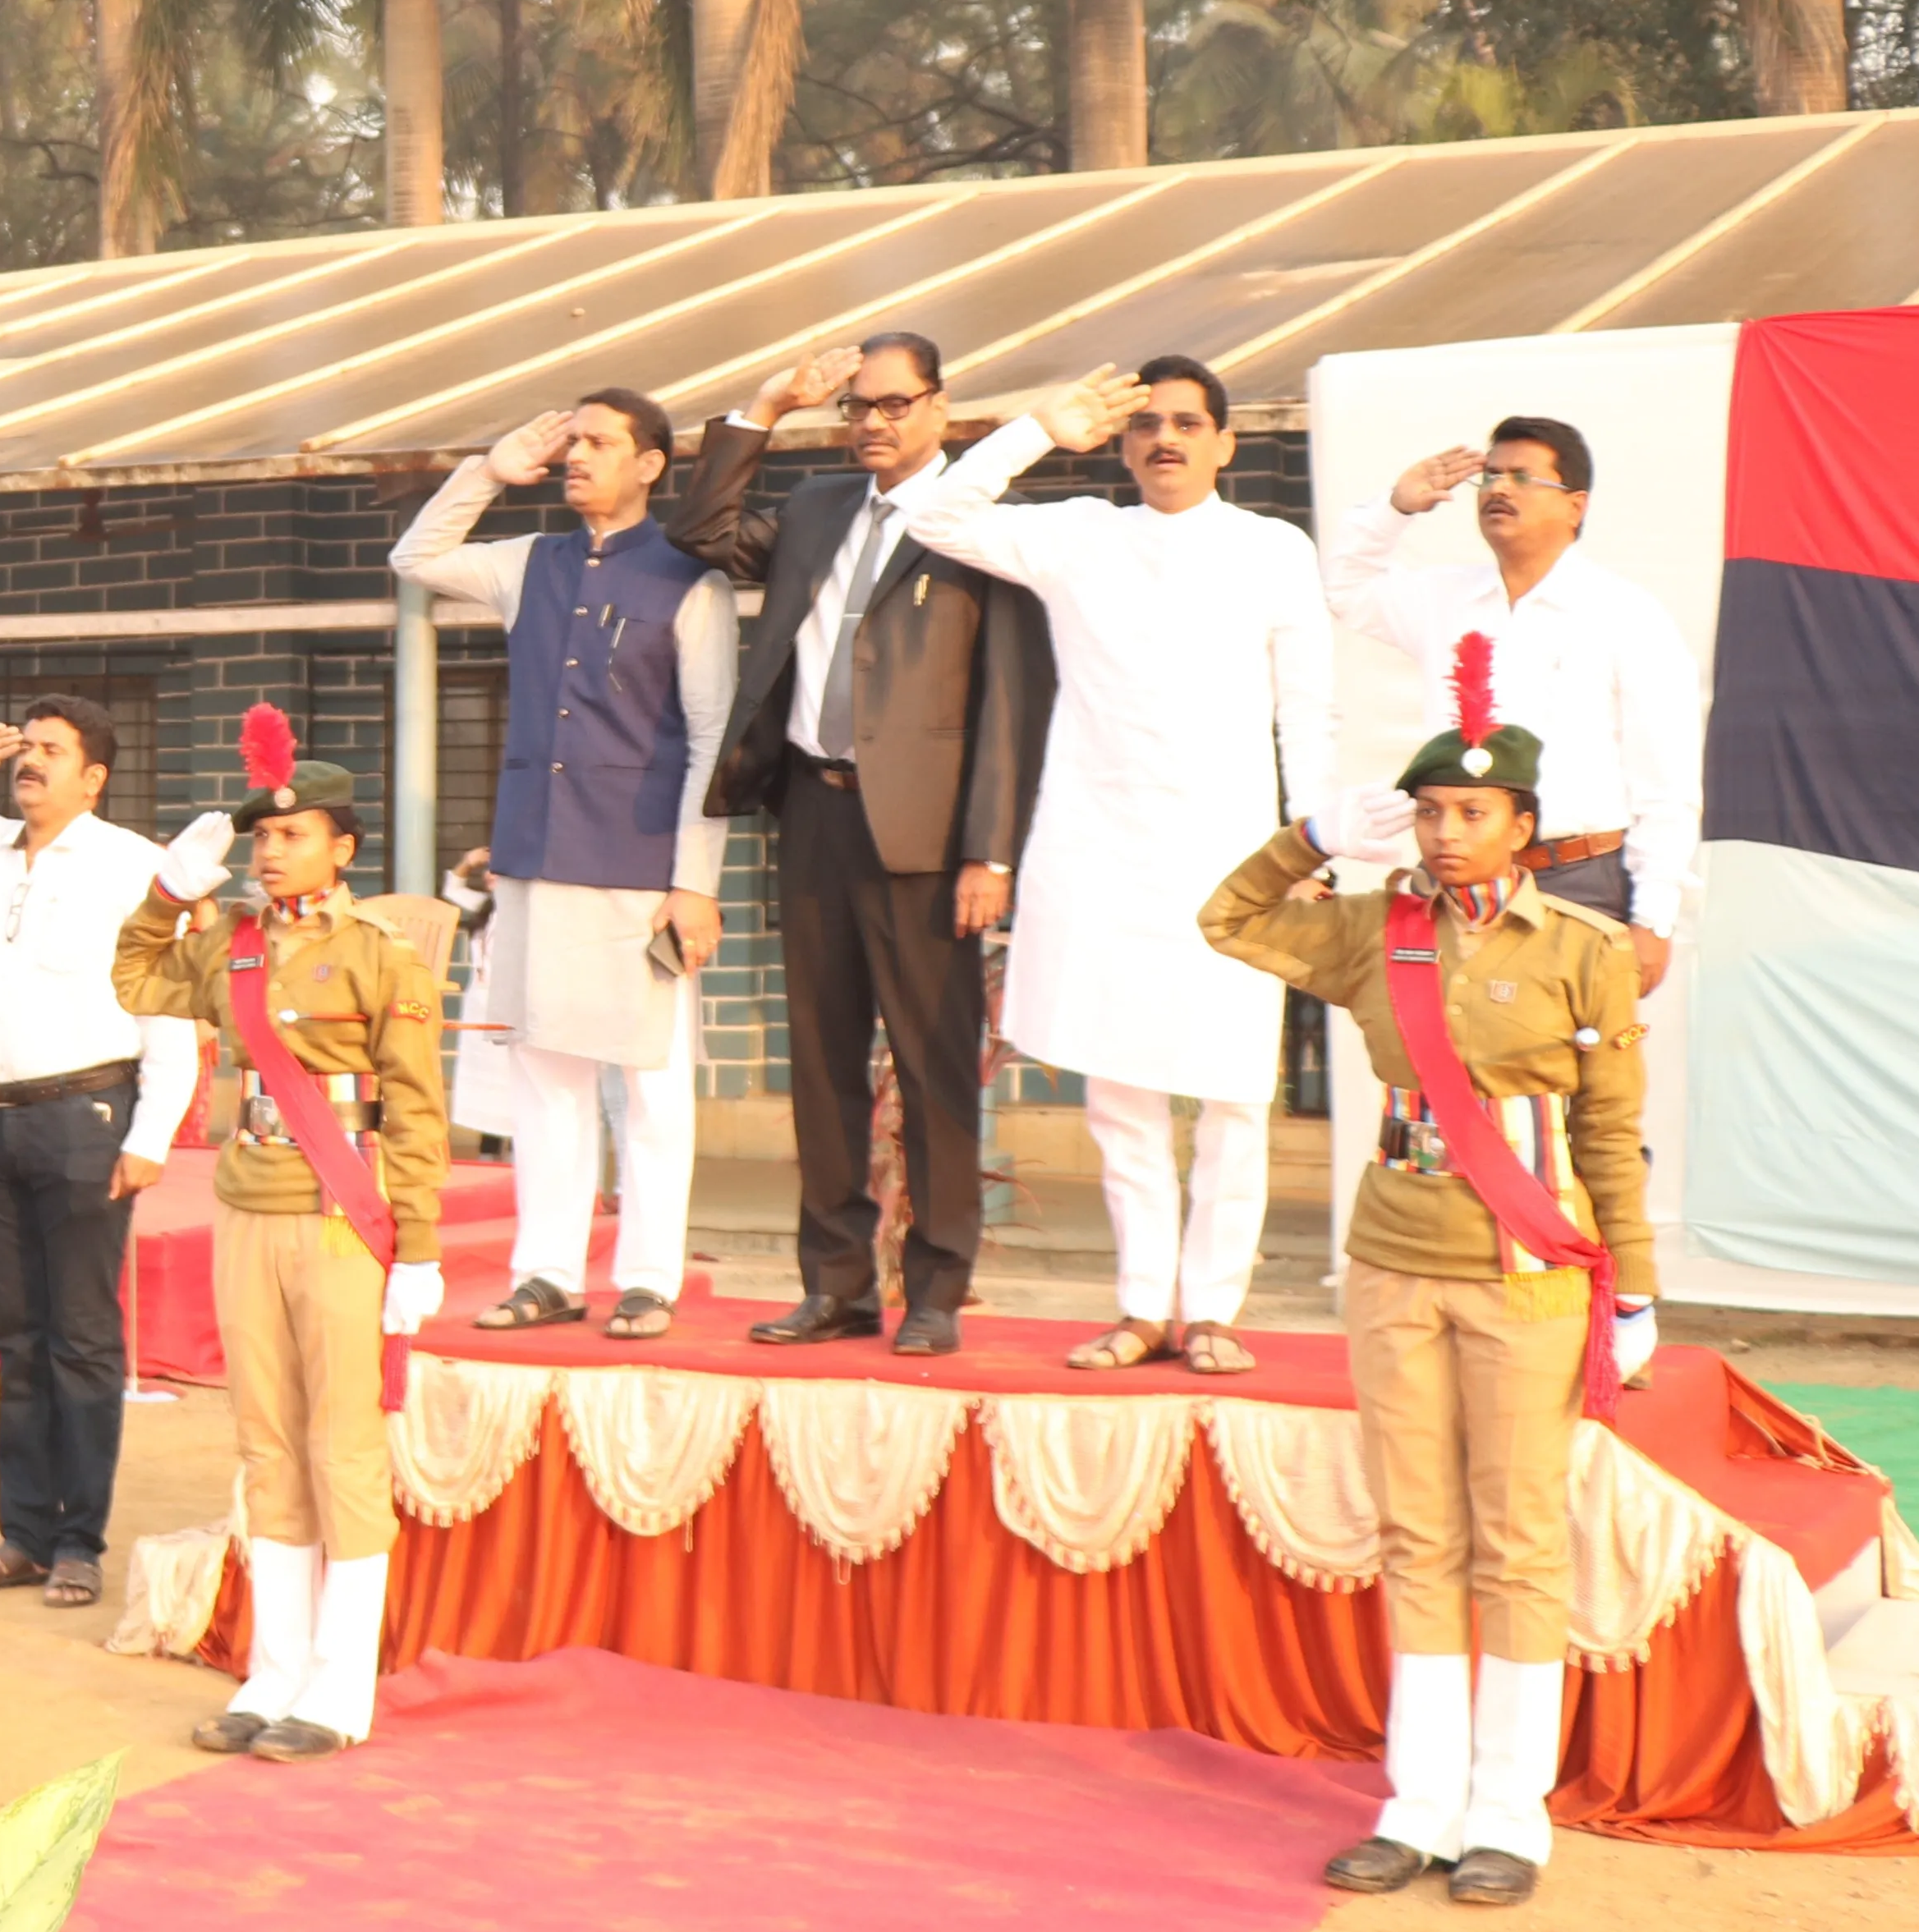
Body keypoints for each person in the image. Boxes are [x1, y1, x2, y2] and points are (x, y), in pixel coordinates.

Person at [1201, 654, 1650, 1910]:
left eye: (1473, 813)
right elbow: (1226, 920)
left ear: (1523, 824)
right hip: (1395, 1263)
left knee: (1514, 1539)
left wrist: (1637, 1284)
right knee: (1414, 1531)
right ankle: (1418, 1802)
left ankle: (1508, 1812)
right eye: (1431, 812)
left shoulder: (1583, 949)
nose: (1450, 833)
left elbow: (1611, 1128)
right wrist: (1307, 837)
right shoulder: (1369, 929)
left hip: (1528, 1274)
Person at [902, 356, 1332, 1374]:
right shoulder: (1080, 532)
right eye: (1144, 425)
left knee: (1231, 1094)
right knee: (1120, 1096)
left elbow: (1306, 707)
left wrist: (1307, 842)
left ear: (1225, 443)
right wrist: (1041, 427)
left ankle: (1214, 1308)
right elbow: (937, 515)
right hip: (1096, 849)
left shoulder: (1272, 547)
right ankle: (1142, 1306)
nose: (1164, 439)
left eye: (1187, 422)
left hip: (1230, 858)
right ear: (1123, 442)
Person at [674, 334, 1056, 1356]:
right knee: (821, 1064)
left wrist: (991, 852)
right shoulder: (814, 509)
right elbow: (703, 526)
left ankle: (934, 1288)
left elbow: (1010, 701)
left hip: (928, 835)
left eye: (892, 404)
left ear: (940, 407)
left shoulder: (977, 526)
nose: (870, 423)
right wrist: (763, 403)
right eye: (855, 407)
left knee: (931, 1070)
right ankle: (835, 1286)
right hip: (812, 811)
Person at [112, 723, 448, 1762]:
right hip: (245, 1211)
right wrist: (170, 889)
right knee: (264, 1444)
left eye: (290, 835)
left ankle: (340, 1692)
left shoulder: (375, 956)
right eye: (259, 837)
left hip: (341, 1219)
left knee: (341, 1446)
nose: (267, 852)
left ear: (342, 847)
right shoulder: (231, 945)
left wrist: (421, 1245)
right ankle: (273, 1674)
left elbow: (416, 1107)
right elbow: (133, 978)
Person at [390, 387, 738, 1340]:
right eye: (570, 442)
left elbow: (711, 737)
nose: (575, 456)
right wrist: (486, 474)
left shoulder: (687, 577)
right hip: (534, 856)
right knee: (542, 1076)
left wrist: (694, 881)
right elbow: (414, 558)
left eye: (597, 442)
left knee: (651, 1083)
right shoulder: (529, 562)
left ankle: (648, 1276)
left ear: (649, 464)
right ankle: (546, 1270)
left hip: (639, 867)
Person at [0, 695, 202, 1611]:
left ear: (92, 777)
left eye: (50, 750)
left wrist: (151, 1134)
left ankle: (77, 1541)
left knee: (83, 1339)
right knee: (16, 1337)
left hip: (87, 1116)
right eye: (23, 746)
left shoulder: (137, 865)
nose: (29, 761)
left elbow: (167, 1008)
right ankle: (21, 1532)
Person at [1325, 418, 1700, 995]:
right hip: (1459, 880)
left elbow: (1666, 782)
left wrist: (1653, 916)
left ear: (1576, 505)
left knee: (1565, 1076)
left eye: (1523, 477)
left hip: (1578, 879)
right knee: (1455, 1068)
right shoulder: (1443, 598)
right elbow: (1344, 589)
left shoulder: (1625, 614)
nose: (1499, 489)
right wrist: (1396, 508)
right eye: (1491, 476)